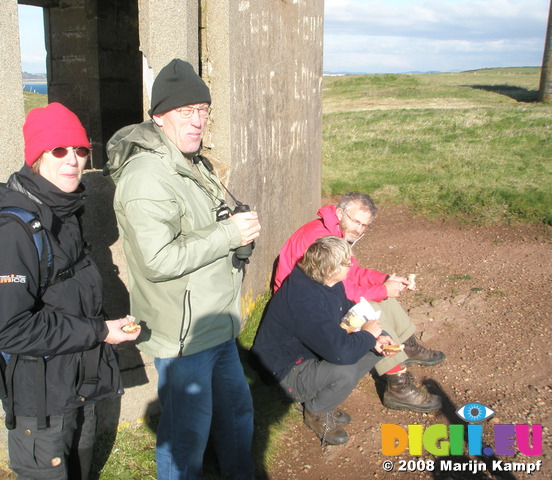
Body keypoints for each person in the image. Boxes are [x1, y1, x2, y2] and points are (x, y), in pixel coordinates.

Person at [104, 58, 260, 479]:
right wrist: (229, 235)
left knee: (236, 416)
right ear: (158, 117)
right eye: (185, 112)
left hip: (217, 322)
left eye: (203, 110)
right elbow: (158, 261)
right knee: (185, 435)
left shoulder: (191, 162)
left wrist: (234, 228)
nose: (197, 121)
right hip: (184, 334)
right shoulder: (147, 177)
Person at [0, 102, 141, 480]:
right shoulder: (11, 232)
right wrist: (100, 331)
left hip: (75, 385)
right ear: (36, 157)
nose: (73, 160)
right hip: (41, 403)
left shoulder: (63, 211)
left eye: (81, 150)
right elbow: (10, 329)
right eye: (59, 150)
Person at [273, 192, 444, 412]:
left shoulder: (335, 230)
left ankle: (405, 346)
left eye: (364, 225)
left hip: (325, 291)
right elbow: (339, 287)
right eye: (355, 221)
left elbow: (352, 273)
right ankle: (397, 384)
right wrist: (381, 290)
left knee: (385, 299)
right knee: (367, 309)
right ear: (339, 213)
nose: (358, 229)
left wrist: (384, 280)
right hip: (302, 302)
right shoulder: (320, 239)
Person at [253, 236, 400, 445]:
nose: (352, 264)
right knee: (345, 370)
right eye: (348, 262)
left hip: (310, 353)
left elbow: (345, 310)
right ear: (331, 268)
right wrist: (366, 335)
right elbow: (341, 354)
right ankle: (315, 410)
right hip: (285, 369)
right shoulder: (304, 300)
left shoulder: (328, 281)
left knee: (379, 342)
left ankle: (322, 396)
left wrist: (374, 338)